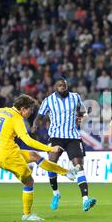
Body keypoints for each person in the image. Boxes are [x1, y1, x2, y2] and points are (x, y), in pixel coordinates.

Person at [0, 94, 78, 221]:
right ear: (23, 108)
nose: (31, 112)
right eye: (30, 110)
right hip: (8, 156)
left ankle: (67, 173)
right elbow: (28, 141)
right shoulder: (17, 119)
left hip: (4, 152)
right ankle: (27, 214)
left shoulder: (3, 111)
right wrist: (50, 148)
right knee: (29, 181)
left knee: (34, 156)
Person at [32, 77, 97, 212]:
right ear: (55, 87)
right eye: (60, 85)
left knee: (78, 165)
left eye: (65, 85)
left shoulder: (75, 97)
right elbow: (39, 116)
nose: (63, 87)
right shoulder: (48, 100)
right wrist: (35, 125)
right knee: (51, 163)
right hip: (56, 137)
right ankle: (56, 194)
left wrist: (81, 116)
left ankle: (85, 200)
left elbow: (82, 111)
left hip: (73, 136)